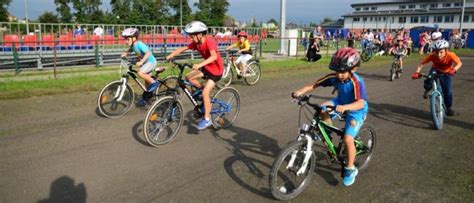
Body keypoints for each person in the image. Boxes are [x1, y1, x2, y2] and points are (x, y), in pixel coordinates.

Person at [292, 47, 368, 187]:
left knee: (347, 138)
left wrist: (346, 108)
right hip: (340, 103)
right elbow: (315, 84)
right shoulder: (334, 77)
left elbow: (361, 102)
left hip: (356, 110)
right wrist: (300, 91)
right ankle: (327, 134)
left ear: (353, 69)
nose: (339, 75)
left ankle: (350, 169)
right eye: (337, 71)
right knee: (322, 109)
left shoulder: (357, 82)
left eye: (342, 72)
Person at [166, 21, 224, 130]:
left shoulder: (209, 41)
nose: (190, 38)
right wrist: (171, 54)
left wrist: (200, 64)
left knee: (205, 92)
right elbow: (183, 48)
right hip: (207, 68)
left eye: (192, 36)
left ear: (200, 34)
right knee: (188, 78)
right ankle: (203, 95)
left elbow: (214, 57)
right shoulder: (196, 43)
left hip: (216, 71)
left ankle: (207, 119)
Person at [411, 40, 462, 116]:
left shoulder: (451, 55)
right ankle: (428, 88)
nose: (438, 54)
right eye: (436, 52)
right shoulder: (432, 55)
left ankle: (448, 108)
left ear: (446, 50)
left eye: (441, 52)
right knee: (429, 78)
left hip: (447, 72)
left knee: (447, 91)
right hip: (435, 70)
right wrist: (417, 72)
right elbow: (421, 64)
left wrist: (454, 70)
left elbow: (459, 63)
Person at [120, 28, 160, 106]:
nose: (126, 41)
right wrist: (126, 53)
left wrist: (141, 62)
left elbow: (148, 53)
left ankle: (155, 83)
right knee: (147, 84)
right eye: (125, 39)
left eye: (128, 39)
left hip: (151, 62)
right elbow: (130, 50)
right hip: (146, 64)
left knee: (140, 72)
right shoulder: (133, 45)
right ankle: (147, 98)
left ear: (134, 38)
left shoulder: (139, 44)